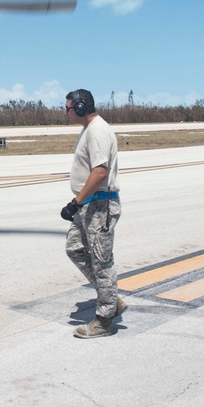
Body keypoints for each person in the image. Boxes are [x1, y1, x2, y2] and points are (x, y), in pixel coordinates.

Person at [61, 89, 126, 338]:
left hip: (98, 205)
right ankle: (111, 298)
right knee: (75, 248)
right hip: (88, 204)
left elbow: (100, 172)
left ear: (79, 107)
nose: (65, 113)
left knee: (101, 261)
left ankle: (105, 320)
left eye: (67, 108)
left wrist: (76, 202)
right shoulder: (89, 129)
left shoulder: (97, 130)